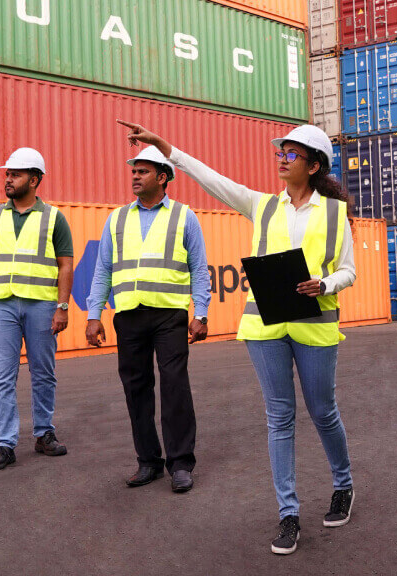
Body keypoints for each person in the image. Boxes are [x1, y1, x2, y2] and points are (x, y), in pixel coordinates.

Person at [116, 120, 356, 556]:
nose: (281, 159)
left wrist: (325, 284)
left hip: (315, 324)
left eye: (291, 154)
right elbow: (209, 178)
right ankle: (288, 513)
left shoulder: (336, 213)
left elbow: (349, 269)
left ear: (314, 164)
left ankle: (343, 484)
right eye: (280, 152)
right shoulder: (262, 205)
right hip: (264, 326)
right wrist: (164, 146)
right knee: (279, 417)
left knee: (323, 411)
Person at [84, 146, 211, 494]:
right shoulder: (117, 219)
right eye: (133, 171)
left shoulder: (185, 217)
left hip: (170, 315)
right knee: (136, 390)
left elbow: (199, 270)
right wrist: (94, 315)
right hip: (129, 316)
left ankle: (181, 463)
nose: (135, 176)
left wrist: (200, 312)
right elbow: (102, 270)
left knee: (174, 386)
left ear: (163, 176)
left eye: (142, 171)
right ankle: (148, 461)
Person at [0, 147, 75, 472]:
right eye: (7, 174)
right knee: (1, 377)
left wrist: (62, 308)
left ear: (35, 179)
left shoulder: (54, 218)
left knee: (43, 373)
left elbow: (66, 266)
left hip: (42, 305)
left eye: (15, 174)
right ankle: (3, 444)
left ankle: (43, 434)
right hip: (1, 305)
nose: (8, 179)